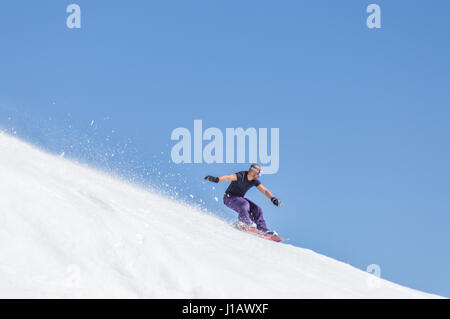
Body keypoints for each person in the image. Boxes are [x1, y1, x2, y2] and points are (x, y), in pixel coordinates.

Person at [204, 164, 282, 236]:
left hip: (239, 198)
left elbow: (264, 190)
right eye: (259, 173)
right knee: (244, 204)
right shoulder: (241, 175)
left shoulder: (254, 181)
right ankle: (244, 223)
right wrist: (216, 179)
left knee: (257, 209)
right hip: (229, 197)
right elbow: (228, 177)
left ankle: (263, 229)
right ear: (254, 171)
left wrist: (273, 198)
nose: (259, 176)